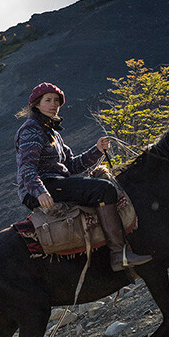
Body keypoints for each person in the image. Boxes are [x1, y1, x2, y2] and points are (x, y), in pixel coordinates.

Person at [15, 83, 151, 271]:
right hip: (43, 187)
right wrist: (40, 191)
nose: (54, 104)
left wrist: (97, 150)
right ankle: (119, 254)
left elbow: (71, 165)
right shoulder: (31, 129)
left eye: (57, 101)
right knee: (104, 189)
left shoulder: (53, 132)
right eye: (48, 100)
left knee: (103, 186)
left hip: (57, 183)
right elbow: (26, 167)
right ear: (36, 105)